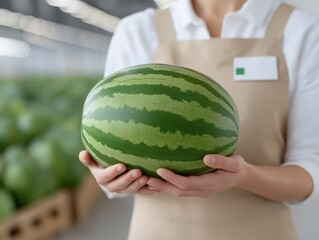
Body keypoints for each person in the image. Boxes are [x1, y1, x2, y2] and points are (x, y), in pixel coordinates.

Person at [79, 0, 319, 239]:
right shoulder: (136, 31)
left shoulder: (303, 30)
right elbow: (115, 144)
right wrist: (110, 179)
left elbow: (309, 172)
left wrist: (245, 176)